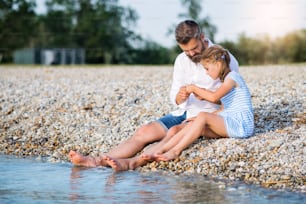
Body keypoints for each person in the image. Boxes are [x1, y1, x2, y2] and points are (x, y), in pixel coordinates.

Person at [69, 20, 239, 168]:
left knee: (172, 133)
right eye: (186, 51)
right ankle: (97, 161)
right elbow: (174, 94)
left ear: (202, 37)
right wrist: (179, 97)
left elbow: (229, 100)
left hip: (206, 115)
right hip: (184, 111)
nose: (191, 54)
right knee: (144, 132)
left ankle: (131, 163)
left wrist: (203, 100)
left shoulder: (225, 59)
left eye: (194, 49)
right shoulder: (181, 60)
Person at [103, 45, 254, 171]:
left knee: (202, 116)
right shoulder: (225, 80)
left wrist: (193, 88)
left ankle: (174, 151)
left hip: (240, 125)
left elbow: (214, 97)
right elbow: (223, 107)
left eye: (207, 68)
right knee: (179, 128)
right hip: (230, 121)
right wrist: (196, 120)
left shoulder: (232, 77)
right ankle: (134, 162)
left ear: (219, 64)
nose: (207, 73)